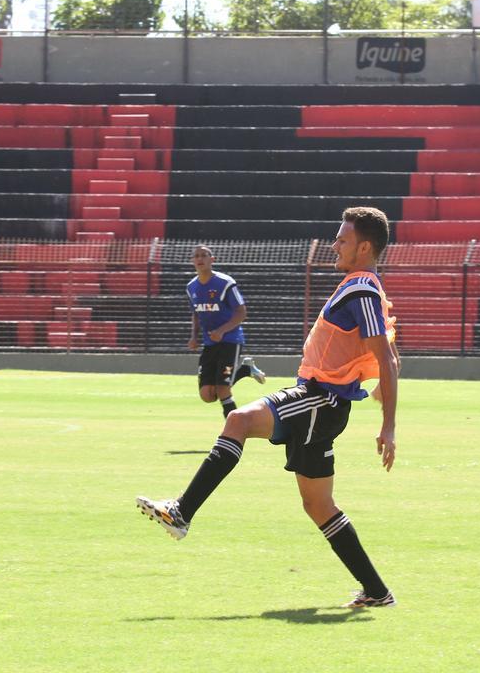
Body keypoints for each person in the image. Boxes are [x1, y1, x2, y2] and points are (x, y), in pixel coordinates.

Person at [138, 207, 400, 609]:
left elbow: (387, 355)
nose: (335, 244)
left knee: (238, 419)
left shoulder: (362, 287)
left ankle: (181, 512)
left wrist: (389, 425)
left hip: (320, 400)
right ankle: (378, 592)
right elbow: (384, 347)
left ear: (364, 247)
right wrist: (379, 386)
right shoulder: (361, 285)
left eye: (343, 240)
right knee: (318, 505)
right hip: (322, 402)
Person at [186, 244, 266, 418]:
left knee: (223, 389)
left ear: (212, 260)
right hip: (210, 343)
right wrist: (194, 337)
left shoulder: (225, 283)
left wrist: (222, 331)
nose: (200, 258)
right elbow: (196, 313)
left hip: (230, 340)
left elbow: (241, 311)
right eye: (197, 256)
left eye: (204, 255)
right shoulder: (191, 287)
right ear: (192, 260)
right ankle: (245, 370)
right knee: (207, 395)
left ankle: (233, 432)